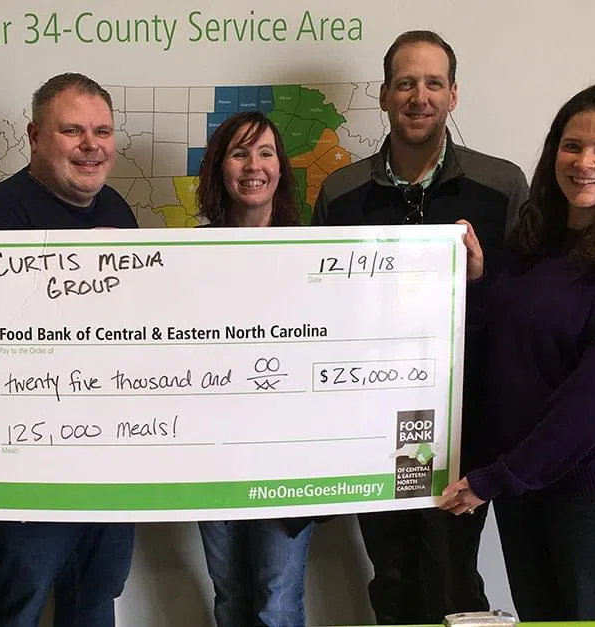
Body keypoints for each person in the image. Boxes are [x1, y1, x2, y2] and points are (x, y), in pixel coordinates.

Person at [439, 79, 595, 621]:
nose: (584, 162)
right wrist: (477, 281)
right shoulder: (539, 233)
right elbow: (512, 337)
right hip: (529, 483)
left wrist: (498, 477)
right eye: (572, 146)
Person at [312, 30, 529, 624]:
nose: (419, 96)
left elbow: (528, 307)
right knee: (393, 574)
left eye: (434, 83)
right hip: (372, 423)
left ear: (454, 95)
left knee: (453, 573)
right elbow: (322, 311)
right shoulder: (341, 192)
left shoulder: (502, 185)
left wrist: (481, 280)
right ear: (384, 95)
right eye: (405, 83)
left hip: (466, 426)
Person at [0, 72, 138, 627]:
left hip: (109, 461)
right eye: (72, 131)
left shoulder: (120, 214)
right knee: (16, 603)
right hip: (21, 464)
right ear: (34, 136)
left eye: (102, 131)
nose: (90, 145)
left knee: (96, 596)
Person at [193, 111, 308, 626]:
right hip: (212, 454)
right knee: (230, 596)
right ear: (220, 167)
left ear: (281, 168)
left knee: (277, 601)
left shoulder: (315, 253)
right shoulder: (188, 256)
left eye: (265, 153)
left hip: (289, 460)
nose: (253, 166)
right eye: (239, 153)